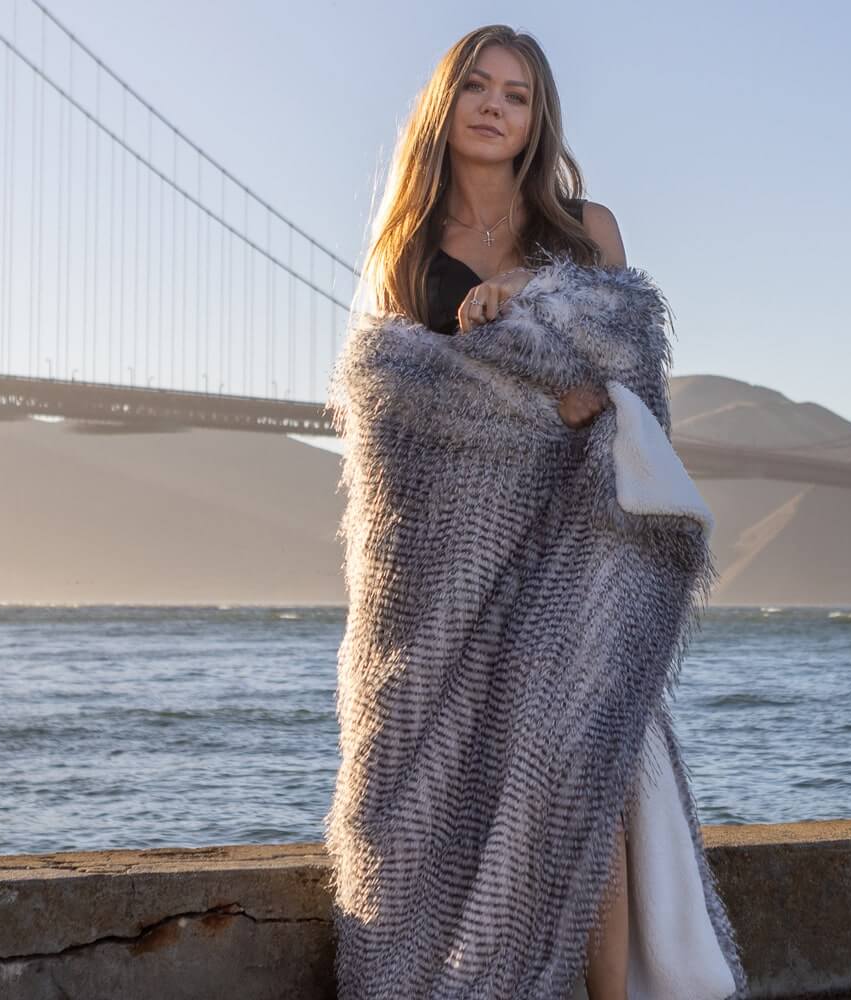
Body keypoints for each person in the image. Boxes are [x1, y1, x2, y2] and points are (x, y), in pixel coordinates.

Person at [351, 24, 636, 1000]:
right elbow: (399, 408)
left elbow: (625, 370)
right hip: (459, 569)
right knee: (457, 797)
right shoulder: (408, 251)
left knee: (588, 774)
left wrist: (526, 303)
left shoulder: (584, 230)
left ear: (534, 118)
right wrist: (523, 395)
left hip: (576, 547)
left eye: (515, 94)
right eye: (475, 86)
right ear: (446, 101)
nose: (493, 106)